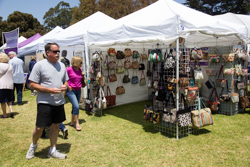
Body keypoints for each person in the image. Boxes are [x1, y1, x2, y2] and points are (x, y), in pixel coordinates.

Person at [26, 43, 69, 160]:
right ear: (48, 53)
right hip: (44, 102)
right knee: (40, 128)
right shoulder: (39, 65)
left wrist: (65, 86)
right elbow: (32, 85)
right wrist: (49, 90)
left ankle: (53, 150)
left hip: (58, 102)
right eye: (55, 51)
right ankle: (33, 145)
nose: (58, 54)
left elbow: (66, 81)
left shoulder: (62, 65)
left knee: (55, 126)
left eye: (58, 51)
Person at [66, 56, 85, 131]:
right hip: (71, 90)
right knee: (76, 106)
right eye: (81, 62)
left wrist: (83, 75)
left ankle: (71, 122)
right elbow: (64, 79)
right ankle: (77, 123)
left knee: (75, 106)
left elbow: (80, 79)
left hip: (78, 90)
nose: (82, 64)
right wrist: (68, 85)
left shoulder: (80, 69)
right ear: (76, 62)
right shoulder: (69, 70)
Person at [0, 53, 14, 118]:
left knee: (2, 101)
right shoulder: (10, 65)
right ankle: (11, 110)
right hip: (10, 84)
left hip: (1, 85)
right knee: (9, 99)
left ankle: (4, 114)